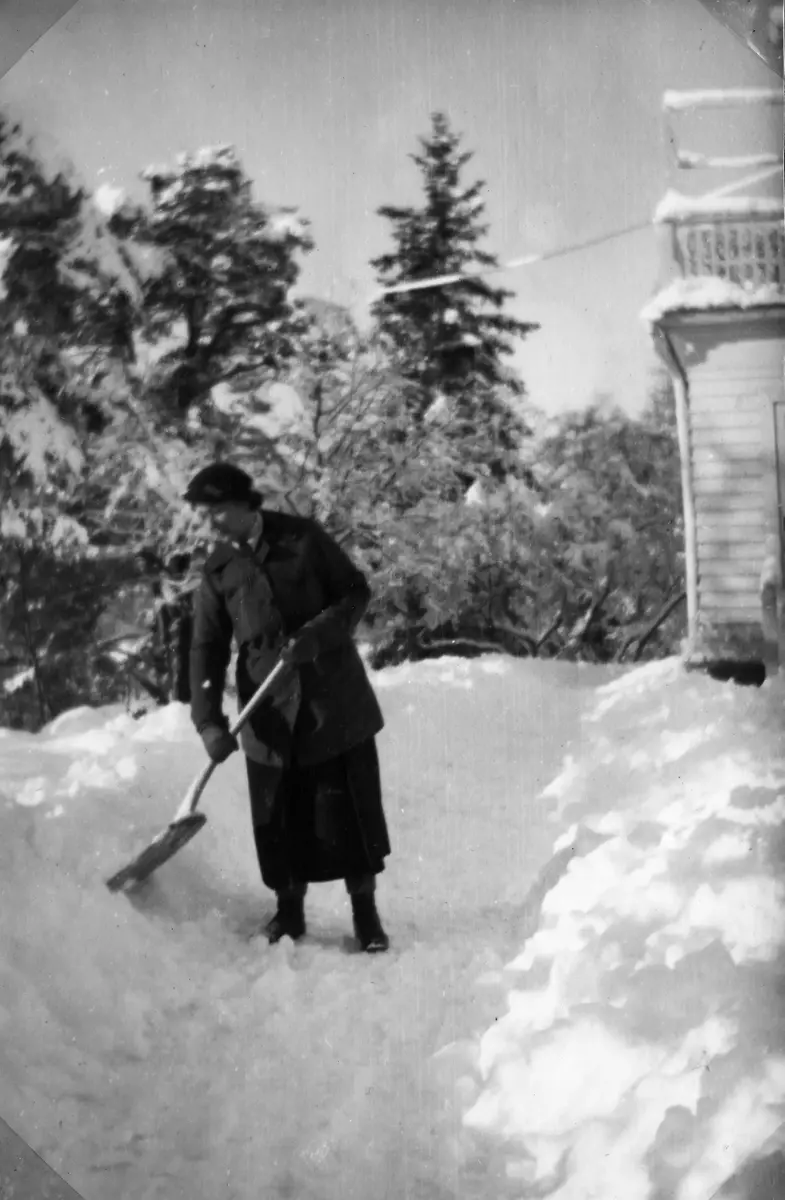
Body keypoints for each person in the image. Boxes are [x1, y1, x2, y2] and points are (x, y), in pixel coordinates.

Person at [183, 462, 391, 953]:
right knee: (279, 816)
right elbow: (205, 648)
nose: (211, 522)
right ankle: (289, 912)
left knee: (348, 811)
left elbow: (355, 592)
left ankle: (365, 913)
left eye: (218, 511)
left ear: (243, 504)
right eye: (205, 514)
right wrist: (208, 721)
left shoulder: (303, 538)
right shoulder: (218, 571)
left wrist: (319, 635)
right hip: (269, 707)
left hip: (330, 697)